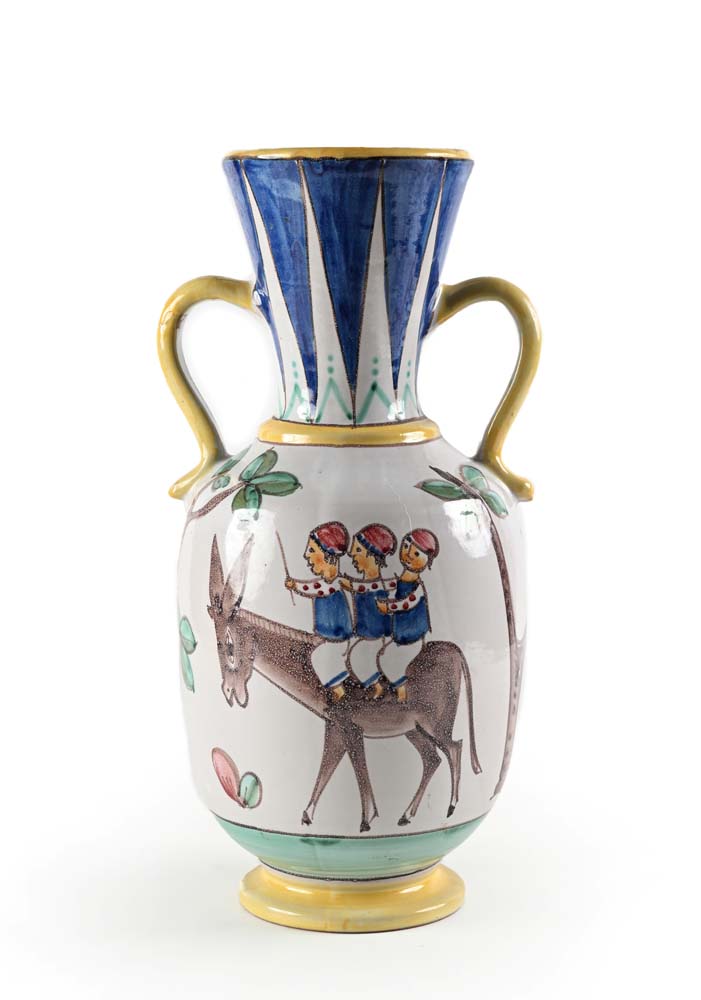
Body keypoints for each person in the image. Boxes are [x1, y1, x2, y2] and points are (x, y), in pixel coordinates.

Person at [285, 521, 353, 701]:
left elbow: (315, 588)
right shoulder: (329, 584)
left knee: (322, 659)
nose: (306, 555)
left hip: (338, 639)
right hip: (330, 638)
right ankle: (340, 691)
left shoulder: (333, 584)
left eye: (312, 550)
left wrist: (295, 585)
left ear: (328, 555)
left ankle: (341, 693)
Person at [377, 529, 439, 702]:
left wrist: (388, 607)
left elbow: (407, 602)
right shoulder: (400, 580)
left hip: (412, 635)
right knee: (381, 651)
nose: (409, 554)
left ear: (427, 560)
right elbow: (389, 588)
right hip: (399, 634)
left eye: (416, 553)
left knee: (388, 658)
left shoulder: (417, 585)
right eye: (406, 547)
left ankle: (402, 694)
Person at [340, 523, 397, 699]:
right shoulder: (371, 584)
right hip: (365, 634)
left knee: (358, 656)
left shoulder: (378, 585)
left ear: (373, 554)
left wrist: (348, 584)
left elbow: (365, 587)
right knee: (352, 654)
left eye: (358, 550)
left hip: (378, 635)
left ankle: (378, 687)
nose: (352, 554)